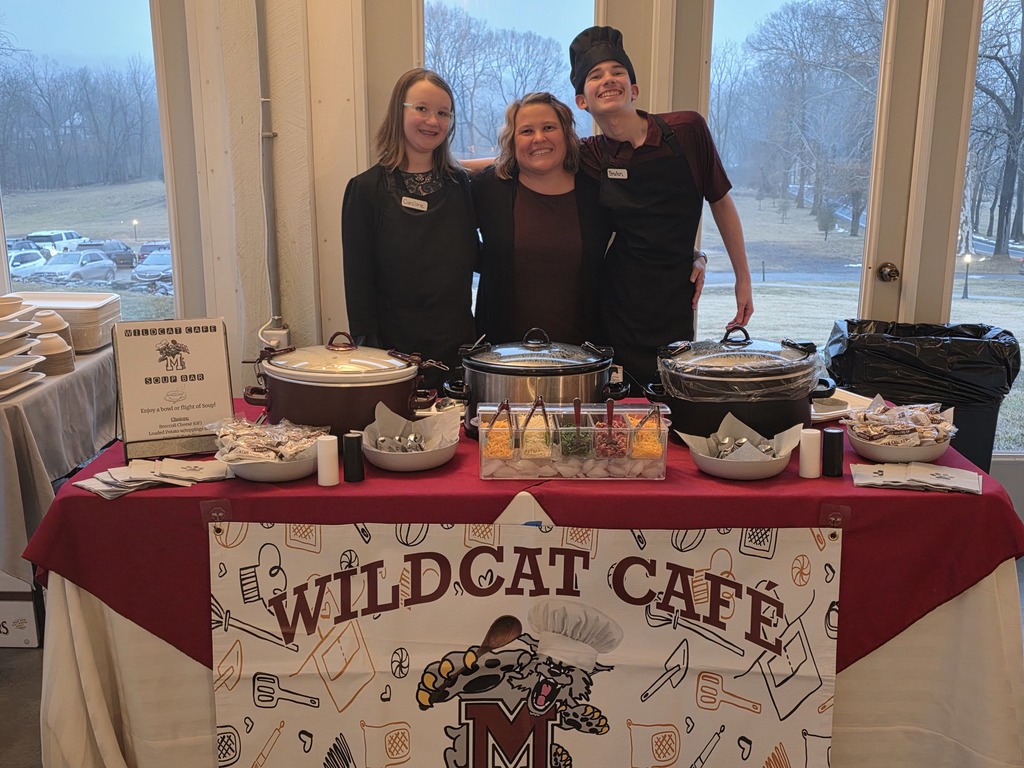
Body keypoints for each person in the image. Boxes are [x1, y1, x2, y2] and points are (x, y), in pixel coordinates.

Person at [568, 25, 754, 388]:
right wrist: (449, 165)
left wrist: (742, 278)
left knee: (672, 393)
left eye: (617, 72)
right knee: (619, 405)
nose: (608, 80)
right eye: (595, 75)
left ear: (633, 89)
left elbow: (720, 201)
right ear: (582, 101)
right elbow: (522, 157)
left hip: (675, 294)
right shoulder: (590, 153)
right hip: (617, 299)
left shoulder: (687, 130)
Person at [342, 68, 477, 389]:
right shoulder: (365, 189)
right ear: (397, 111)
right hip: (391, 353)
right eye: (422, 109)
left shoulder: (460, 185)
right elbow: (358, 284)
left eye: (443, 113)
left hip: (456, 349)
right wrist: (370, 354)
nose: (433, 121)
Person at [472, 92, 611, 344]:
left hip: (582, 355)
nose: (539, 138)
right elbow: (453, 239)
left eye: (549, 127)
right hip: (501, 357)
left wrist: (692, 254)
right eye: (526, 131)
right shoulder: (489, 189)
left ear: (567, 135)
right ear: (512, 141)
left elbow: (639, 231)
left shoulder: (596, 191)